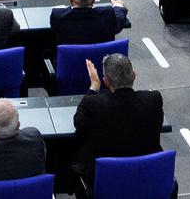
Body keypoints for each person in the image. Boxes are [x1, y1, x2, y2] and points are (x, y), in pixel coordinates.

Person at [69, 53, 163, 190]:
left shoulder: (94, 104)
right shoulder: (153, 100)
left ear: (106, 81)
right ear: (134, 75)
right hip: (146, 177)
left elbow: (78, 122)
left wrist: (94, 86)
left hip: (105, 181)